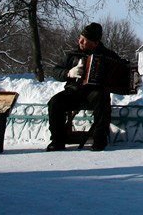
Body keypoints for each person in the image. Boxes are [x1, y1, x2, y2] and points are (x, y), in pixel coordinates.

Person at [46, 23, 122, 152]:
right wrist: (68, 73)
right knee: (55, 102)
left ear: (95, 42)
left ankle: (99, 139)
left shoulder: (108, 56)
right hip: (73, 92)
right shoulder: (73, 55)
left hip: (95, 93)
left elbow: (120, 74)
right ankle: (57, 140)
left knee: (102, 99)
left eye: (84, 39)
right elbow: (55, 71)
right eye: (80, 37)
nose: (79, 41)